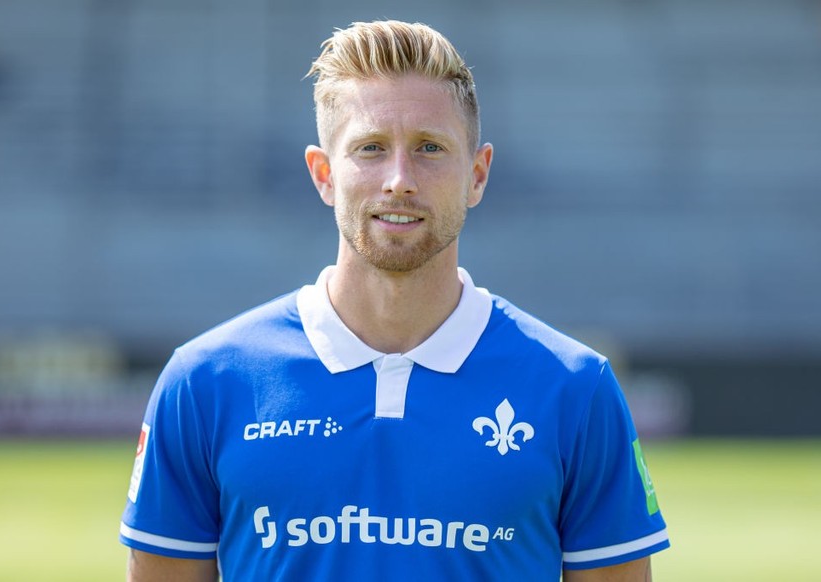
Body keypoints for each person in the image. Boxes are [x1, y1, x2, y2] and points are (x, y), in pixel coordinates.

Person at [119, 20, 669, 581]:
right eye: (371, 148)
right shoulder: (204, 382)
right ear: (324, 174)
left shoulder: (575, 389)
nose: (399, 179)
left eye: (430, 148)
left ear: (476, 175)